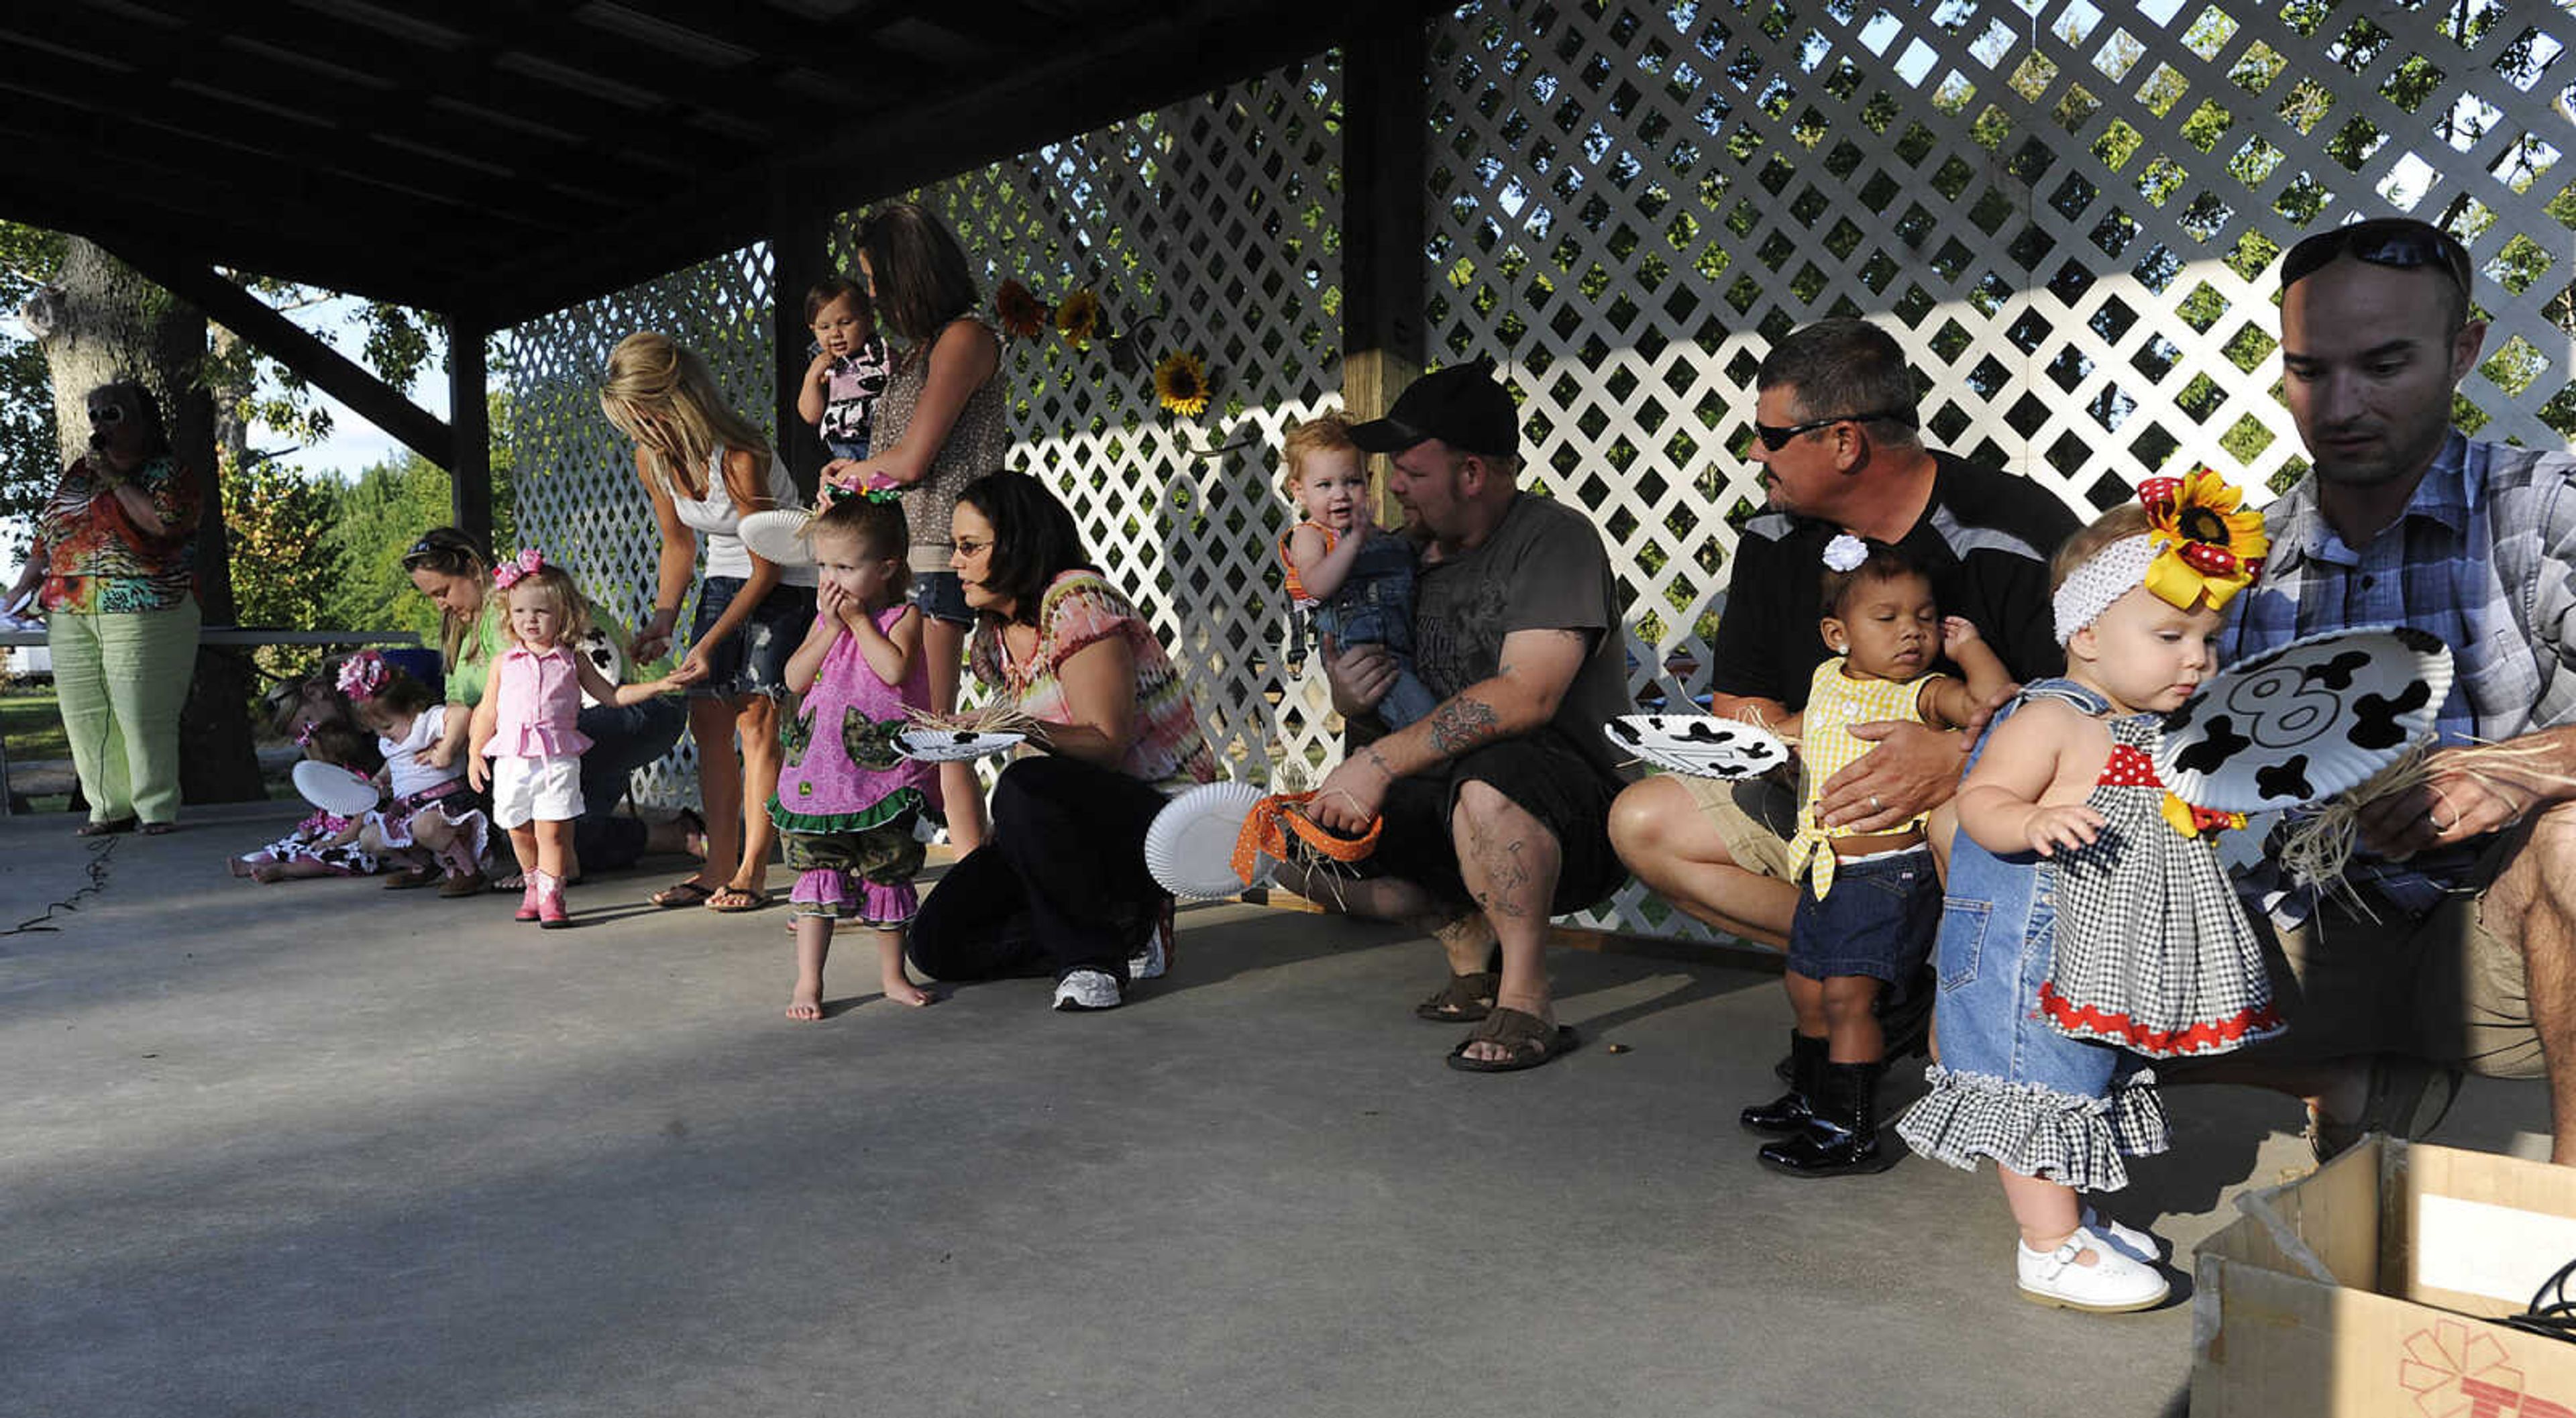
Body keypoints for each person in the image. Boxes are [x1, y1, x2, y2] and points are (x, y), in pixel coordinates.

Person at [2189, 217, 2576, 1165]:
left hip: (2513, 950)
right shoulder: (2237, 565)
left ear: (2463, 350)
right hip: (2314, 936)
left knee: (2572, 836)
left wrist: (2516, 771)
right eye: (2311, 371)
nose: (2342, 403)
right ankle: (2359, 1085)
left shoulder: (2539, 506)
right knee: (2028, 910)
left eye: (2385, 365)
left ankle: (2567, 1223)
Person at [1896, 486, 2277, 1312]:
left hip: (2095, 947)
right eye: (2171, 635)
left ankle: (2076, 1215)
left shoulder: (2143, 721)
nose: (2197, 659)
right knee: (2035, 1079)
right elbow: (1979, 804)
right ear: (2089, 633)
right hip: (2024, 950)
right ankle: (2048, 1245)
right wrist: (2032, 817)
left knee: (2085, 1077)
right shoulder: (2054, 714)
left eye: (2209, 639)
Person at [1609, 317, 2079, 958]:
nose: (1754, 453)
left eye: (1772, 436)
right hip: (1820, 805)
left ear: (1844, 443)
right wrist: (1819, 740)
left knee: (1957, 825)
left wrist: (1956, 763)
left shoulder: (2013, 532)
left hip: (1980, 807)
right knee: (1643, 823)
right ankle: (1872, 966)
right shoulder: (1773, 539)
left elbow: (2088, 713)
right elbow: (1742, 709)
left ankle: (1950, 990)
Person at [1297, 359, 1636, 1071]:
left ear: (1473, 474)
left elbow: (1528, 695)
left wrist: (1380, 760)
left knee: (1492, 772)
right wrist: (1348, 696)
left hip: (1570, 805)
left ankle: (1526, 998)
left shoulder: (1553, 540)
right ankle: (1466, 947)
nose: (1390, 486)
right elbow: (1360, 671)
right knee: (1302, 839)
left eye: (1411, 473)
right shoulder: (1397, 556)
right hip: (1451, 790)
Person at [1742, 535, 2011, 1177]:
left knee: (1847, 1000)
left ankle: (1849, 1130)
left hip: (1886, 874)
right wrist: (1766, 743)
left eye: (1924, 617)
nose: (1911, 633)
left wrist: (1968, 647)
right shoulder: (1827, 681)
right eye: (1887, 619)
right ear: (1838, 633)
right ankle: (1812, 1098)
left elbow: (1992, 705)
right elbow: (1810, 729)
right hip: (1826, 868)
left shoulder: (1925, 692)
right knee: (1805, 988)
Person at [906, 471, 1218, 1012]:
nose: (955, 561)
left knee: (1022, 782)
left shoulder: (1077, 601)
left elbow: (1107, 745)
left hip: (1152, 814)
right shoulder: (995, 628)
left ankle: (1093, 962)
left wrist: (1016, 726)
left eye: (969, 547)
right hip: (1063, 824)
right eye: (955, 547)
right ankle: (1124, 926)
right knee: (935, 942)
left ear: (1019, 542)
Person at [600, 332, 820, 912]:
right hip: (726, 579)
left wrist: (711, 641)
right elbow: (678, 544)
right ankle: (715, 866)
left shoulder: (742, 455)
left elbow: (768, 570)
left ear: (675, 399)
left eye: (641, 417)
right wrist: (665, 621)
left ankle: (751, 868)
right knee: (707, 719)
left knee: (754, 721)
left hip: (788, 580)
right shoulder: (654, 460)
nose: (637, 433)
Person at [820, 203, 1009, 854]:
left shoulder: (965, 338)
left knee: (939, 726)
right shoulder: (916, 352)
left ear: (910, 272)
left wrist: (853, 474)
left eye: (876, 277)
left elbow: (910, 460)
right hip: (907, 552)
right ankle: (880, 869)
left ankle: (972, 869)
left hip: (944, 551)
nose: (871, 293)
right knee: (895, 719)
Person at [400, 528, 695, 882]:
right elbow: (461, 705)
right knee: (544, 823)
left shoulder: (512, 612)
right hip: (581, 720)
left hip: (640, 704)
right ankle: (678, 834)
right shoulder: (463, 637)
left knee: (535, 799)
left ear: (473, 569)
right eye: (432, 598)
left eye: (443, 591)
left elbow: (525, 698)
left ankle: (552, 871)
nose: (440, 604)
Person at [768, 492, 939, 1018]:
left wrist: (861, 625)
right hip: (820, 779)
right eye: (823, 566)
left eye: (845, 566)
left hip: (879, 780)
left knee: (887, 872)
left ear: (886, 568)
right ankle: (808, 982)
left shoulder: (901, 617)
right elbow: (794, 678)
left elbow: (892, 670)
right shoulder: (825, 621)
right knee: (818, 876)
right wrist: (833, 629)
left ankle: (892, 974)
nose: (831, 579)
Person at [10, 380, 203, 836]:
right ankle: (108, 808)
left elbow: (164, 525)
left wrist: (116, 480)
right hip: (69, 607)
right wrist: (20, 588)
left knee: (140, 712)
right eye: (94, 415)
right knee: (85, 715)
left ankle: (155, 809)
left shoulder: (169, 472)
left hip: (144, 603)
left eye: (111, 414)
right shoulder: (79, 473)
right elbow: (49, 534)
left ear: (142, 420)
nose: (99, 424)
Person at [465, 551, 686, 927]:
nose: (530, 620)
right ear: (509, 615)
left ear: (563, 614)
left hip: (557, 758)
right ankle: (533, 885)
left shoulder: (572, 659)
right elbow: (487, 711)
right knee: (518, 829)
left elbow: (613, 697)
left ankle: (553, 897)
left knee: (552, 831)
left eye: (540, 612)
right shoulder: (505, 663)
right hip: (513, 759)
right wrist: (474, 753)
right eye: (520, 612)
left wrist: (658, 686)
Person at [1275, 413, 1436, 728]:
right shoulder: (1311, 535)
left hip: (1404, 649)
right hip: (1363, 661)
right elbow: (1317, 584)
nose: (1340, 494)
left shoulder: (1375, 535)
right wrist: (1353, 543)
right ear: (1300, 492)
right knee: (1425, 722)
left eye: (1352, 481)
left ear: (1370, 482)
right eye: (1324, 485)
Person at [337, 650, 490, 896]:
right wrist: (380, 779)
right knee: (369, 838)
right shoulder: (390, 740)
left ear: (411, 706)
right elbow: (395, 762)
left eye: (387, 726)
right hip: (408, 809)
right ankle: (425, 864)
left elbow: (462, 714)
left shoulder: (426, 721)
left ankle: (467, 870)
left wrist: (447, 750)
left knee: (426, 828)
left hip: (446, 806)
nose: (383, 734)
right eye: (376, 730)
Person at [235, 724, 382, 883]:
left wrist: (334, 842)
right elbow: (324, 808)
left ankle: (283, 870)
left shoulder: (357, 782)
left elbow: (359, 823)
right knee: (294, 843)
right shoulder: (327, 781)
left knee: (325, 859)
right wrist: (311, 826)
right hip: (326, 833)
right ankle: (259, 862)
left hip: (349, 840)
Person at [796, 276, 892, 463]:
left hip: (885, 445)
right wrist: (812, 378)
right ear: (813, 329)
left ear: (869, 321)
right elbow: (811, 416)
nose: (835, 333)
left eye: (846, 322)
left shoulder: (880, 353)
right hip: (844, 452)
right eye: (824, 327)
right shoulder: (824, 367)